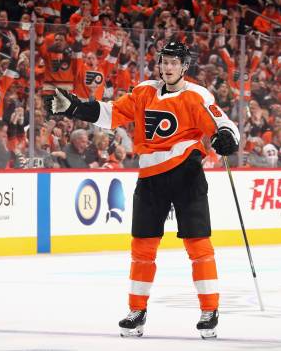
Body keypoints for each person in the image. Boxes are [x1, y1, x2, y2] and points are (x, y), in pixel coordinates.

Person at [46, 41, 239, 339]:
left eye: (175, 62)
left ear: (184, 66)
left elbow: (222, 124)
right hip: (150, 176)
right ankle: (136, 311)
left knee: (198, 244)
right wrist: (75, 107)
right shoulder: (144, 91)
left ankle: (209, 310)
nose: (169, 67)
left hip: (186, 173)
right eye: (165, 61)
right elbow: (112, 114)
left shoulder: (197, 95)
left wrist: (227, 137)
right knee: (142, 247)